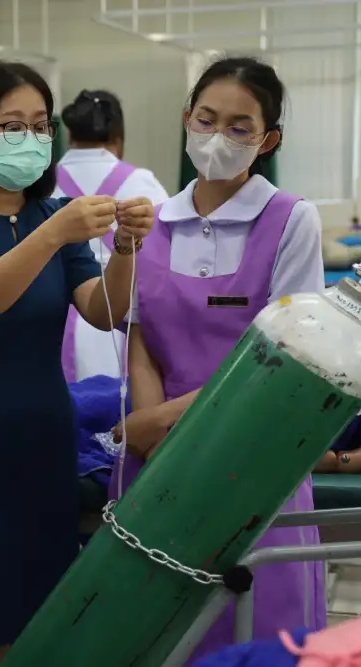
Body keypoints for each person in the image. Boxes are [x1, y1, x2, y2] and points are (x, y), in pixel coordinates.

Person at [0, 60, 154, 667]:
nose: (33, 139)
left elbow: (104, 309)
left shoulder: (50, 217)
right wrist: (53, 235)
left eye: (41, 126)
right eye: (13, 126)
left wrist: (124, 247)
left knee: (42, 619)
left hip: (41, 439)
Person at [112, 56, 327, 661]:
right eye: (206, 120)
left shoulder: (290, 220)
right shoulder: (154, 222)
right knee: (163, 630)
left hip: (255, 457)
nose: (217, 137)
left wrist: (157, 423)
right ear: (187, 119)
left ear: (268, 140)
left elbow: (284, 357)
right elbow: (141, 340)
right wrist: (155, 441)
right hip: (159, 466)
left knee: (257, 630)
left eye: (239, 127)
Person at [54, 89, 169, 382]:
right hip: (123, 318)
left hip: (55, 318)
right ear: (118, 139)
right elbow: (163, 258)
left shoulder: (43, 185)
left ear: (69, 135)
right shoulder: (142, 183)